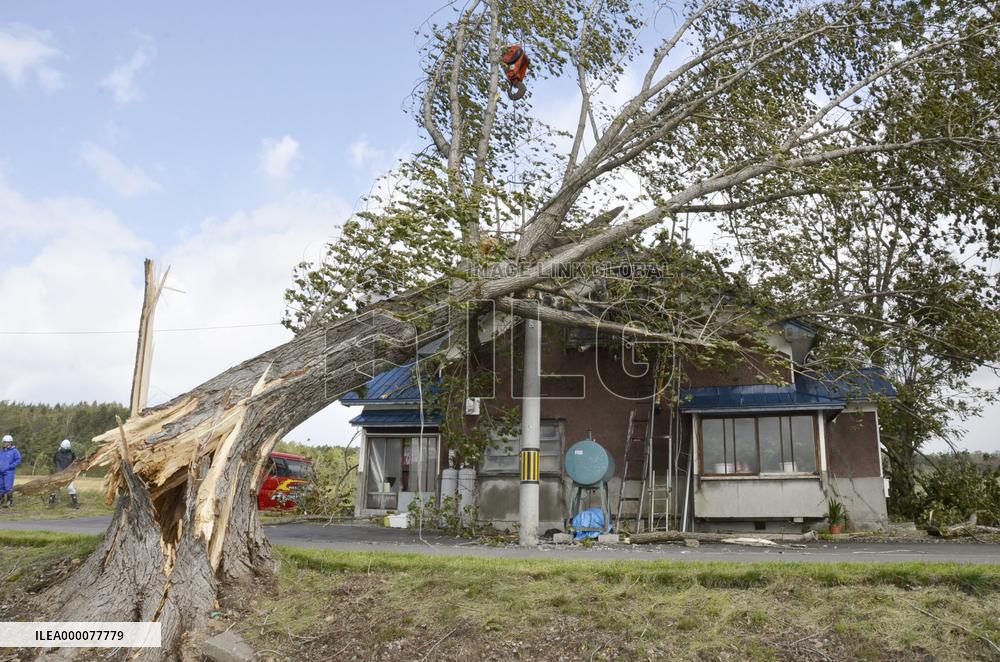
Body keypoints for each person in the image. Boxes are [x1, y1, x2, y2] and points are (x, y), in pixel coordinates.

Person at [48, 439, 79, 509]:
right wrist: (58, 472)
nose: (63, 449)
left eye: (65, 449)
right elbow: (55, 462)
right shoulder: (57, 453)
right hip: (58, 474)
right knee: (54, 488)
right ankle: (50, 503)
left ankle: (75, 504)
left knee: (71, 488)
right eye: (62, 448)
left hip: (69, 475)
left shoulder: (72, 454)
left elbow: (74, 464)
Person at [0, 434, 21, 508]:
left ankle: (9, 501)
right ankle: (1, 501)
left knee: (8, 487)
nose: (4, 443)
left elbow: (18, 460)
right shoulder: (2, 451)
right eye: (4, 442)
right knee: (1, 487)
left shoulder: (14, 451)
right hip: (0, 472)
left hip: (9, 472)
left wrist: (10, 466)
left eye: (6, 442)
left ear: (10, 442)